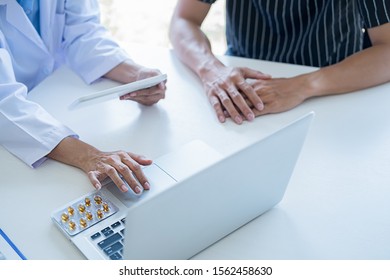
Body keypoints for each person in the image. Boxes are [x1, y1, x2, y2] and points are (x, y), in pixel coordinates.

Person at [0, 0, 167, 194]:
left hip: (54, 93)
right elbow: (5, 103)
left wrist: (136, 76)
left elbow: (85, 33)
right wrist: (90, 156)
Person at [169, 0, 390, 125]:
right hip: (243, 89)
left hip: (336, 88)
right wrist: (211, 69)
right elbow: (183, 19)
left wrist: (303, 85)